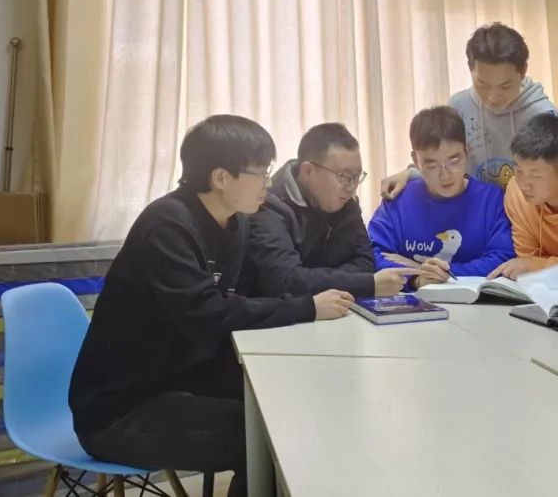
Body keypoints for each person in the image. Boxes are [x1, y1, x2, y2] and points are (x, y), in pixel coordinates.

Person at [69, 115, 355, 496]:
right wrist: (307, 307)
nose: (268, 183)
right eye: (260, 172)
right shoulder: (167, 226)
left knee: (288, 401)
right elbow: (209, 315)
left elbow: (237, 301)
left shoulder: (234, 223)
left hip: (177, 375)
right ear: (221, 177)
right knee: (266, 432)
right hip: (120, 409)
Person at [380, 23, 558, 197]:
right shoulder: (460, 106)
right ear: (470, 69)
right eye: (483, 84)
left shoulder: (545, 118)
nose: (492, 97)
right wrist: (409, 174)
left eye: (505, 86)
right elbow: (442, 157)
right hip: (476, 211)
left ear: (523, 71)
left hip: (527, 214)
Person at [242, 123, 416, 299]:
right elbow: (286, 281)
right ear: (308, 171)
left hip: (337, 307)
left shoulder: (345, 203)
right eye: (344, 176)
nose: (351, 187)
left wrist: (312, 279)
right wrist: (366, 284)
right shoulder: (268, 205)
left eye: (356, 177)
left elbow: (365, 263)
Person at [369, 106, 515, 289]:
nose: (445, 175)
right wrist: (415, 279)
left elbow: (502, 258)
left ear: (467, 152)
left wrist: (436, 273)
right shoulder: (397, 201)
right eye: (432, 166)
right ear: (415, 161)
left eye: (454, 160)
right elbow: (374, 254)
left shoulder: (492, 200)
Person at [488, 112, 558, 280]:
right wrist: (536, 266)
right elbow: (526, 261)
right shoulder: (516, 193)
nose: (524, 184)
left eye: (535, 175)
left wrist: (542, 266)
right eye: (518, 171)